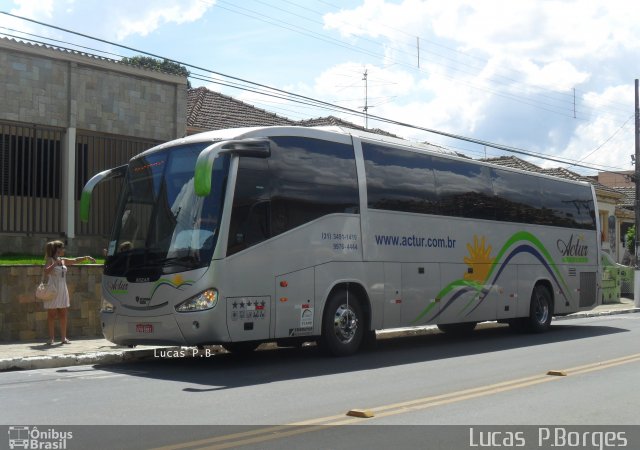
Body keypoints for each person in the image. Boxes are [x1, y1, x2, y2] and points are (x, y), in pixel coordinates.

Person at [43, 240, 96, 345]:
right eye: (62, 248)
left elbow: (75, 260)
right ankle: (51, 339)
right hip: (53, 290)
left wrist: (86, 257)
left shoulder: (62, 260)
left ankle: (63, 338)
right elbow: (46, 271)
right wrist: (54, 264)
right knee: (51, 315)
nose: (64, 250)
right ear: (57, 249)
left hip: (62, 289)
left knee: (63, 314)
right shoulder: (50, 259)